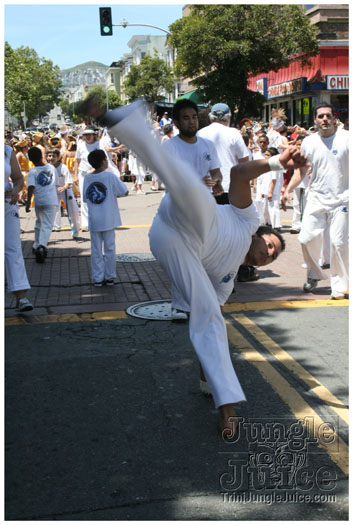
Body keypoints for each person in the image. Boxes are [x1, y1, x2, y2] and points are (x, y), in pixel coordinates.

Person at [98, 100, 308, 437]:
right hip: (181, 217)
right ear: (261, 234)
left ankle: (227, 408)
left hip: (174, 248)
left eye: (273, 257)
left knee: (211, 318)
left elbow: (207, 323)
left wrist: (203, 370)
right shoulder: (247, 219)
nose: (268, 254)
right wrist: (275, 162)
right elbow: (239, 174)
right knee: (197, 195)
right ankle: (126, 125)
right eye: (270, 246)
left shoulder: (226, 283)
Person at [162, 98, 223, 320]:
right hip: (179, 207)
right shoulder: (169, 147)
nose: (191, 122)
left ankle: (205, 300)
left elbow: (216, 173)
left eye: (194, 117)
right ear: (177, 122)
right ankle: (180, 305)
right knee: (183, 255)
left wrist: (216, 184)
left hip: (205, 208)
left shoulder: (207, 145)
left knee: (203, 254)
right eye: (186, 118)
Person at [282, 104, 349, 299]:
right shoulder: (309, 142)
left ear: (335, 118)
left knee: (339, 244)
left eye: (328, 115)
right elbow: (301, 171)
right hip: (316, 198)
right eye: (321, 116)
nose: (325, 119)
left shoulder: (347, 138)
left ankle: (340, 286)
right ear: (315, 120)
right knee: (305, 239)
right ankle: (314, 274)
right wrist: (288, 189)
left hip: (342, 199)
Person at [83, 149, 128, 286]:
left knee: (96, 249)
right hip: (108, 218)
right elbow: (124, 190)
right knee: (109, 248)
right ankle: (109, 276)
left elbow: (85, 198)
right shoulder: (109, 176)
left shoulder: (87, 177)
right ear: (103, 161)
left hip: (94, 219)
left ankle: (97, 278)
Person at [197, 103, 249, 204]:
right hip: (229, 186)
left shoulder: (200, 134)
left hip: (206, 187)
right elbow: (244, 161)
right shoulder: (234, 133)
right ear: (228, 118)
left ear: (211, 117)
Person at [4, 144, 33, 313]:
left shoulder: (7, 150)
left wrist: (16, 190)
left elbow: (18, 179)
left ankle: (21, 297)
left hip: (8, 205)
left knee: (13, 248)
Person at [25, 146, 59, 263]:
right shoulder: (51, 168)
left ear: (30, 160)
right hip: (51, 200)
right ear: (42, 155)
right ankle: (42, 246)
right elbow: (56, 183)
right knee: (47, 224)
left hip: (39, 201)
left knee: (39, 222)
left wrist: (28, 202)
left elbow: (31, 187)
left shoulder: (33, 171)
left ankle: (36, 244)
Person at [46, 148, 80, 238]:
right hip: (53, 191)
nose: (51, 158)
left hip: (65, 190)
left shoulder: (63, 167)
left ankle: (75, 230)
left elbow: (69, 181)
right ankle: (53, 227)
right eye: (49, 156)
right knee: (52, 210)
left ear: (58, 157)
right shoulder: (47, 167)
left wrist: (64, 187)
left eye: (53, 156)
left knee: (73, 211)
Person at [74, 129, 99, 231]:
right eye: (85, 135)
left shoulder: (98, 145)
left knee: (95, 197)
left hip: (95, 174)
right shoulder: (80, 145)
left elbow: (102, 160)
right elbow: (77, 160)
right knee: (84, 198)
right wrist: (75, 175)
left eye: (89, 135)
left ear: (93, 135)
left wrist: (94, 170)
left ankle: (96, 222)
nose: (87, 137)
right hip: (83, 174)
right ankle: (85, 223)